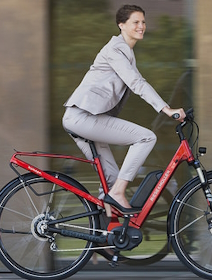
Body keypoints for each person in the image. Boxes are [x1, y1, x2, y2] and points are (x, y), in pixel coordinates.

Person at [62, 4, 185, 217]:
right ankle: (119, 193)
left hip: (84, 120)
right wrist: (166, 109)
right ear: (121, 25)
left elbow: (135, 81)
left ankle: (106, 242)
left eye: (143, 22)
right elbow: (137, 83)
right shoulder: (115, 50)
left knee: (110, 181)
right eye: (135, 22)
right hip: (83, 118)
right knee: (146, 138)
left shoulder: (126, 53)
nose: (141, 26)